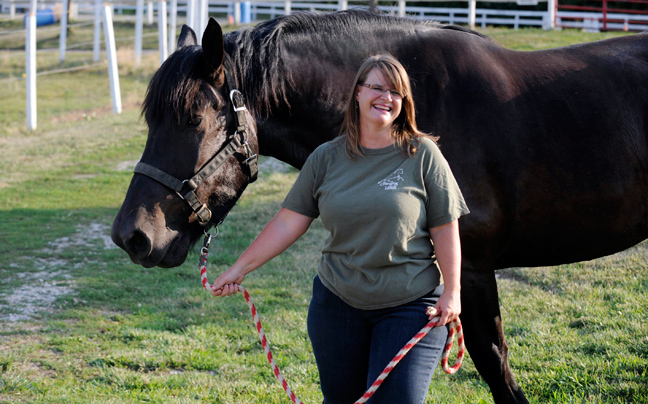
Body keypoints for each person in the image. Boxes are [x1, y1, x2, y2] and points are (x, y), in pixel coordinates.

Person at [210, 54, 470, 404]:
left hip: (411, 304)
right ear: (358, 93)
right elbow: (289, 221)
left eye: (396, 92)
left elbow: (445, 226)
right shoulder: (326, 157)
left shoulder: (422, 154)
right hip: (338, 304)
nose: (386, 97)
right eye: (378, 87)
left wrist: (452, 292)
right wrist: (239, 269)